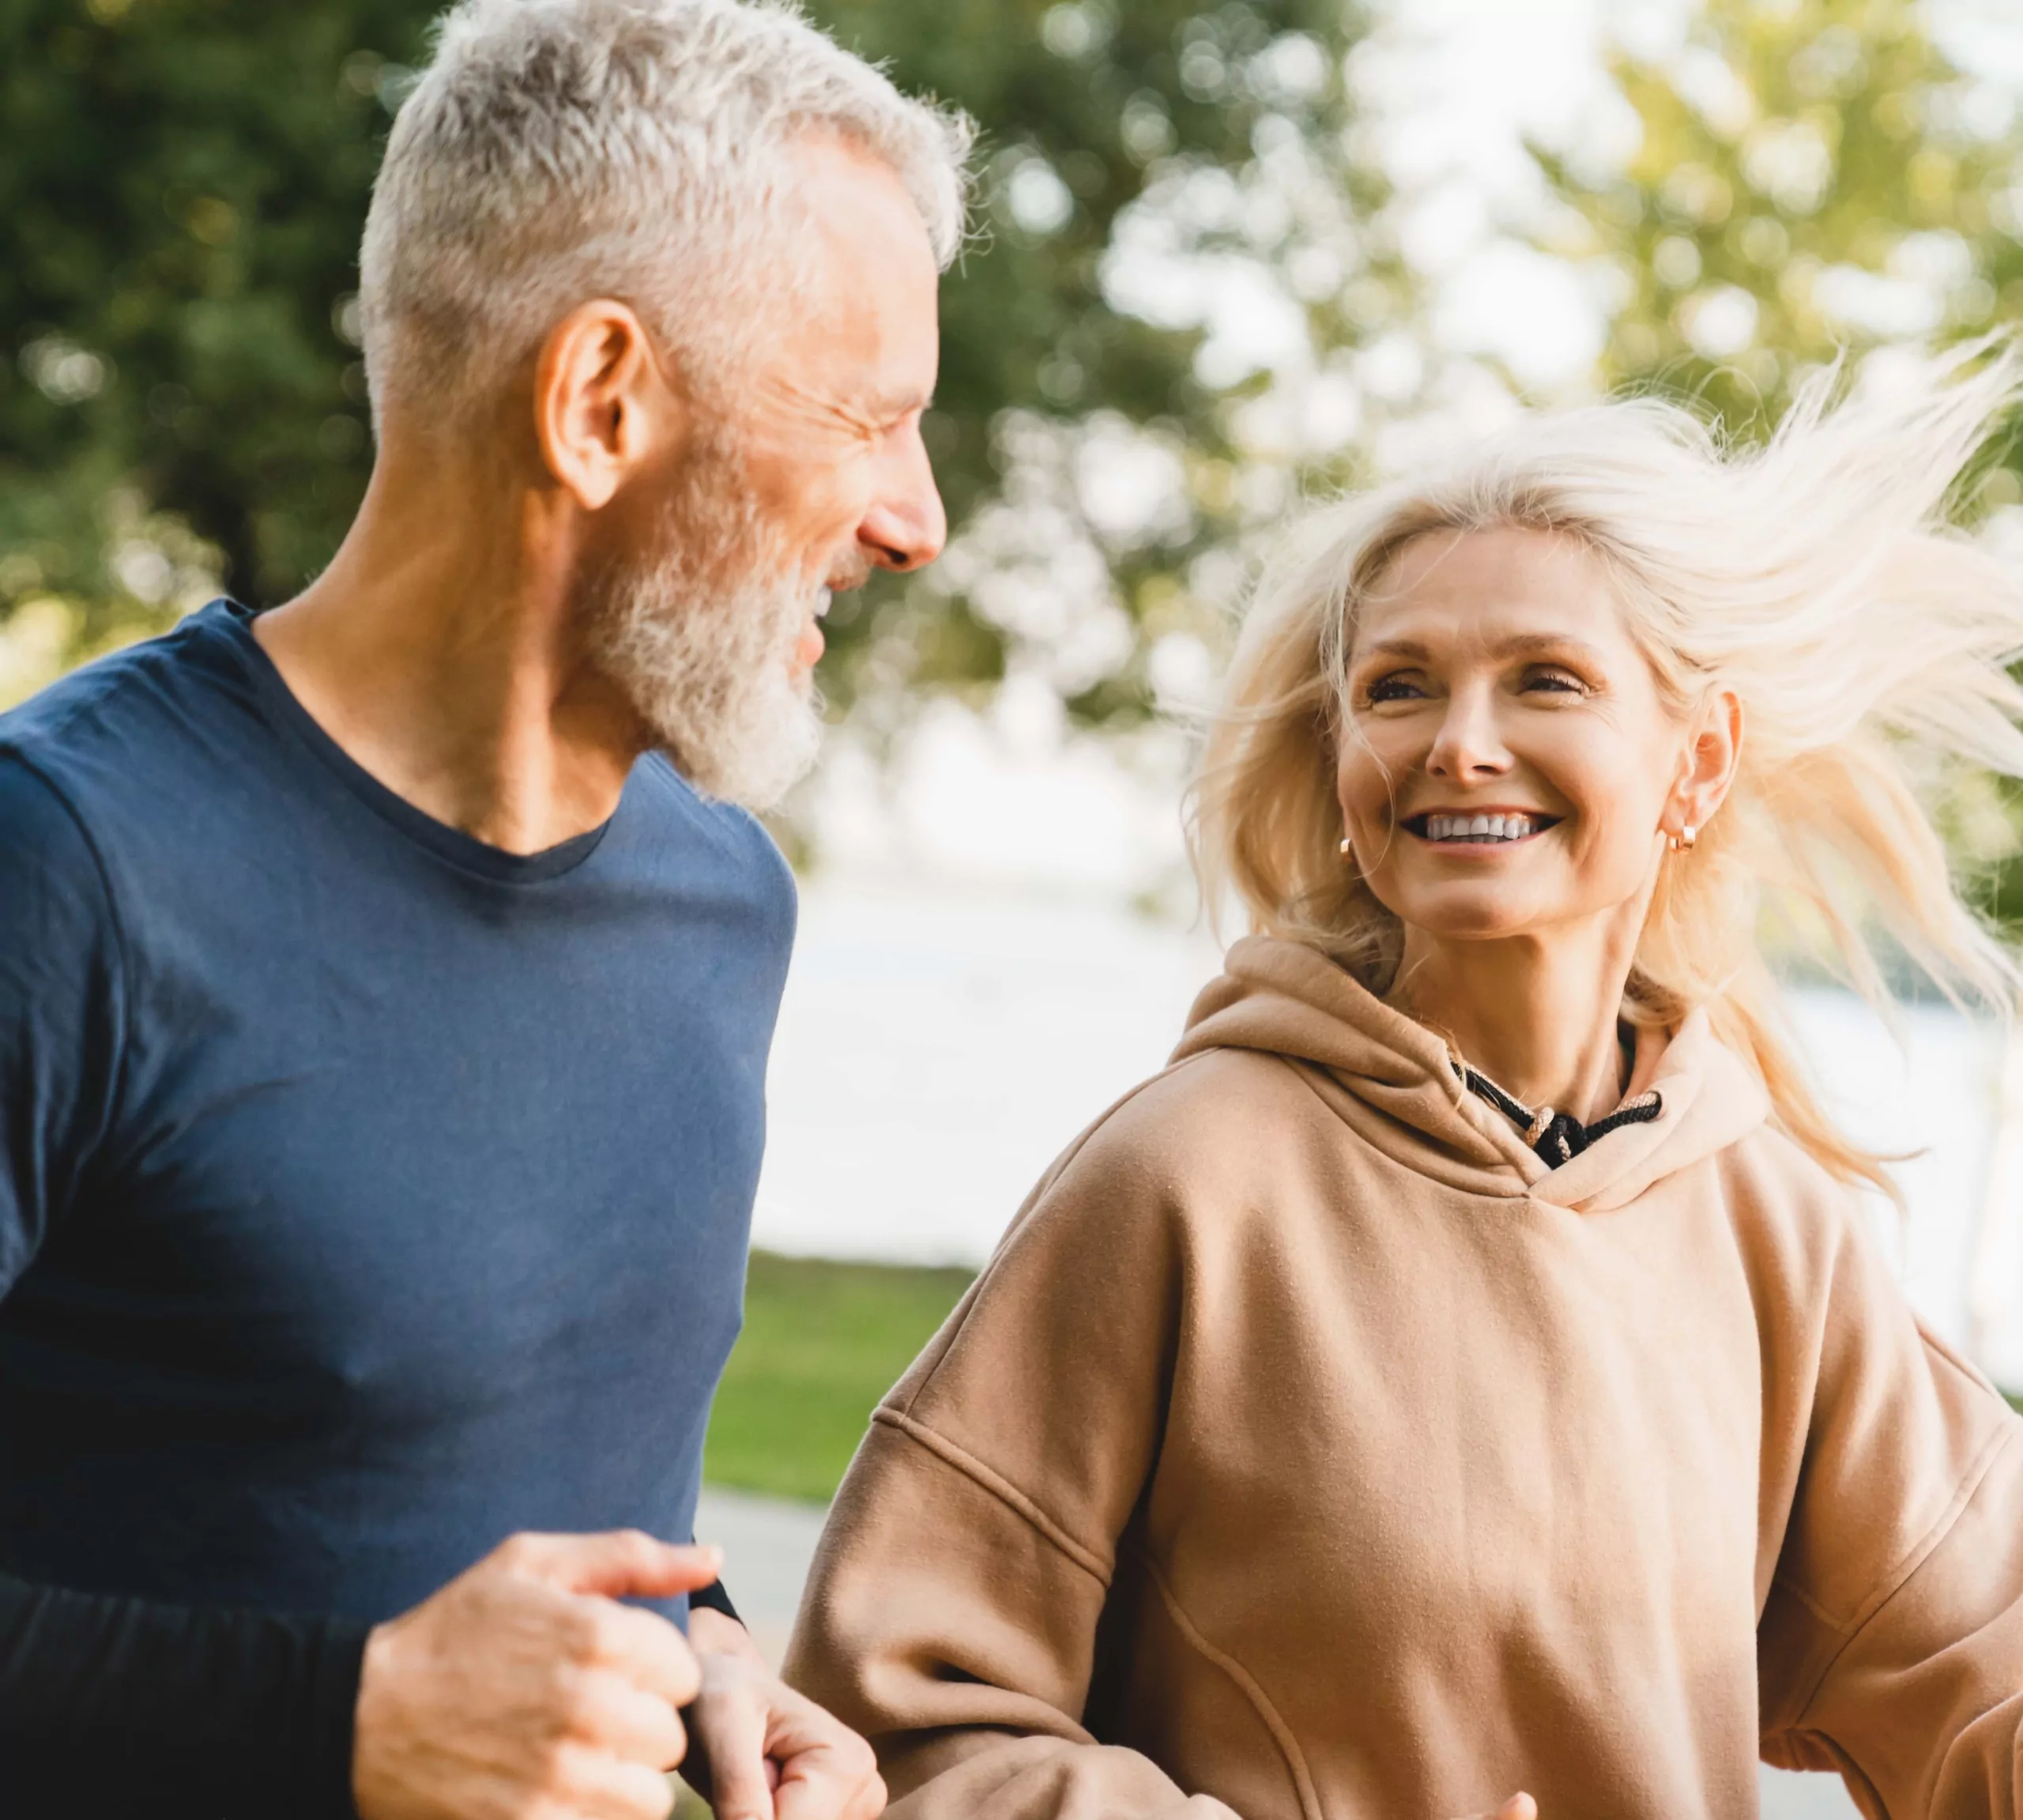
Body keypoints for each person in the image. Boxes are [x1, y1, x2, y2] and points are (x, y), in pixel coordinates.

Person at [785, 349, 2023, 1817]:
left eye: (1545, 679)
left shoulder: (1771, 1226)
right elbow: (885, 1726)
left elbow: (1979, 1683)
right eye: (1399, 687)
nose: (1460, 742)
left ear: (1697, 762)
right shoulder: (1184, 1177)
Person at [0, 1, 969, 1815]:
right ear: (599, 401)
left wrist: (708, 1656)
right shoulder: (65, 863)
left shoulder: (720, 901)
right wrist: (344, 1719)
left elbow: (548, 1485)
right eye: (867, 418)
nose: (915, 517)